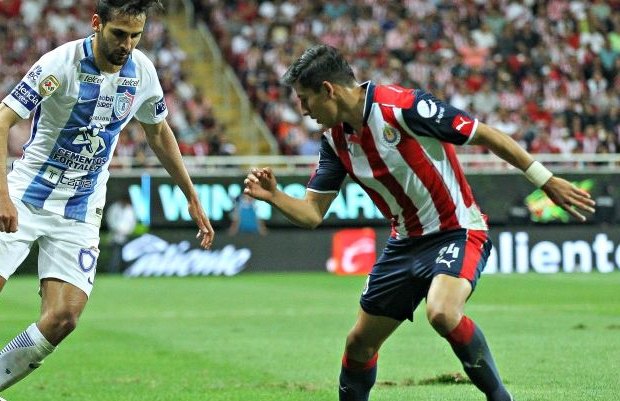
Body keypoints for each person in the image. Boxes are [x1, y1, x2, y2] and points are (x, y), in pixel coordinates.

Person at [0, 0, 214, 401]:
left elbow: (159, 131)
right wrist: (1, 193)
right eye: (119, 34)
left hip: (81, 209)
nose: (128, 44)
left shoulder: (142, 72)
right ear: (96, 23)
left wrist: (191, 193)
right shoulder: (59, 64)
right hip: (27, 196)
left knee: (63, 318)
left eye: (136, 35)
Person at [242, 45, 595, 401]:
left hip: (457, 231)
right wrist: (274, 197)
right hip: (404, 244)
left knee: (441, 311)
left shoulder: (403, 108)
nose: (303, 110)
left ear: (328, 90)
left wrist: (545, 179)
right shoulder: (335, 142)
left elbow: (486, 134)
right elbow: (312, 213)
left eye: (305, 99)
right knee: (358, 344)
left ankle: (501, 398)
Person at [105, 195, 138, 273]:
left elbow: (133, 223)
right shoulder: (114, 208)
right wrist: (118, 229)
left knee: (127, 256)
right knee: (115, 256)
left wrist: (128, 231)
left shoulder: (130, 209)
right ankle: (113, 272)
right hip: (115, 236)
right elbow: (110, 220)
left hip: (127, 236)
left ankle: (126, 272)